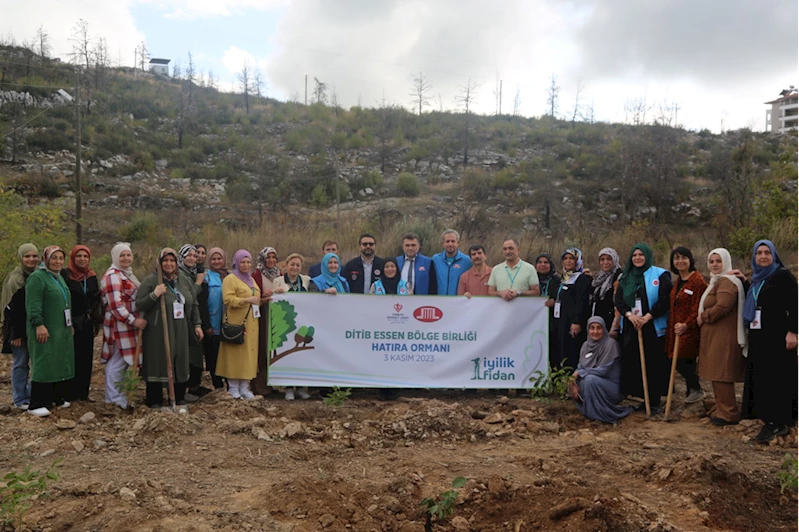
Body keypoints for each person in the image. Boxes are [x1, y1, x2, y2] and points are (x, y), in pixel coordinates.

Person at [742, 240, 798, 443]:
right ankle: (768, 417)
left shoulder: (782, 275)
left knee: (778, 377)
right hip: (759, 336)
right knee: (763, 376)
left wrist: (793, 331)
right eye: (759, 253)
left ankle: (779, 422)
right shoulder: (757, 279)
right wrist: (743, 280)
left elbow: (796, 303)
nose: (763, 256)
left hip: (778, 336)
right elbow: (759, 300)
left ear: (774, 255)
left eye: (767, 252)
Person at [136, 248, 203, 410]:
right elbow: (139, 304)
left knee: (179, 359)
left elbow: (193, 303)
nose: (169, 264)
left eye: (172, 261)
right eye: (165, 261)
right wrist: (155, 294)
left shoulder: (184, 280)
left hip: (181, 328)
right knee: (158, 361)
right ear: (159, 263)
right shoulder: (152, 281)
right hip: (158, 330)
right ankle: (155, 399)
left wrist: (197, 324)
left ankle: (179, 397)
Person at [614, 243, 672, 414]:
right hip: (632, 326)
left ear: (647, 256)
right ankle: (642, 398)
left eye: (641, 255)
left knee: (653, 363)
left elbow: (664, 299)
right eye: (634, 255)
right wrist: (630, 316)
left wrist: (647, 317)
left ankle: (654, 401)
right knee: (635, 363)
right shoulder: (625, 277)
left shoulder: (660, 274)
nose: (637, 258)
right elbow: (619, 301)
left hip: (652, 326)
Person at [696, 248, 747, 426]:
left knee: (722, 373)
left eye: (718, 261)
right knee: (716, 373)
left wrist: (703, 317)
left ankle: (728, 413)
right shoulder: (717, 281)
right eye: (711, 261)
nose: (715, 265)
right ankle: (721, 407)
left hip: (724, 337)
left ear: (726, 262)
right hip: (716, 336)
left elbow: (722, 307)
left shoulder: (727, 282)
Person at [25, 246, 75, 417]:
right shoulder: (37, 278)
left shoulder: (58, 277)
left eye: (61, 258)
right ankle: (36, 403)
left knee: (58, 361)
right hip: (44, 328)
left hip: (60, 328)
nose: (58, 262)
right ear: (46, 259)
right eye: (54, 258)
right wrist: (38, 324)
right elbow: (33, 304)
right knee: (44, 362)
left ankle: (55, 397)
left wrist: (70, 325)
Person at [100, 243, 146, 410]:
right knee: (117, 361)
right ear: (115, 257)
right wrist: (133, 320)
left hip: (128, 326)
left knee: (125, 361)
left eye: (128, 255)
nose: (126, 258)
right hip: (119, 325)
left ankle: (119, 395)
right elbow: (115, 305)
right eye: (122, 256)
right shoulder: (112, 276)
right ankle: (112, 398)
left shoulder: (127, 274)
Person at [664, 246, 707, 406]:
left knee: (683, 359)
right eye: (676, 258)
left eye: (684, 258)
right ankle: (692, 393)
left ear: (690, 260)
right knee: (676, 358)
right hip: (674, 328)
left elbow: (698, 307)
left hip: (689, 329)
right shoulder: (678, 282)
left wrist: (687, 324)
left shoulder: (697, 280)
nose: (680, 261)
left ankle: (696, 388)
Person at [569, 316, 633, 423]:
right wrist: (572, 380)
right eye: (592, 328)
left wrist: (578, 373)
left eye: (599, 328)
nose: (595, 331)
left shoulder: (610, 344)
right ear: (588, 330)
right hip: (594, 382)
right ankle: (589, 412)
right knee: (573, 382)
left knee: (589, 380)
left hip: (611, 387)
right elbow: (581, 366)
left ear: (604, 329)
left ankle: (601, 415)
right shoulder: (585, 345)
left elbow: (603, 371)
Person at [217, 250, 261, 400]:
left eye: (248, 262)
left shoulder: (251, 280)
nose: (246, 265)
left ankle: (244, 387)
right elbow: (227, 300)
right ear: (236, 262)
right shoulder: (231, 279)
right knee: (235, 355)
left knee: (248, 355)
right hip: (236, 324)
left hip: (251, 324)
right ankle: (233, 387)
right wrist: (246, 300)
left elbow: (257, 299)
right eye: (243, 262)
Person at [61, 245, 102, 401]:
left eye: (85, 256)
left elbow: (96, 299)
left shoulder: (91, 276)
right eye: (79, 256)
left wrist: (97, 322)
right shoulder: (65, 275)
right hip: (70, 322)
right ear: (73, 258)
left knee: (86, 358)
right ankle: (67, 394)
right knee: (70, 358)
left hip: (87, 322)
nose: (82, 259)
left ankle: (82, 394)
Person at [1, 244, 39, 410]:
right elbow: (11, 309)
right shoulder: (16, 279)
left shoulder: (37, 275)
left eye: (34, 256)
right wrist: (15, 334)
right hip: (18, 330)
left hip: (32, 327)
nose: (31, 259)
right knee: (21, 363)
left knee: (36, 363)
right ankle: (20, 399)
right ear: (21, 258)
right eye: (27, 256)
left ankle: (32, 395)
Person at [177, 244, 213, 400]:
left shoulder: (195, 273)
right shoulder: (179, 274)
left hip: (195, 317)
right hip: (182, 318)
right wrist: (198, 283)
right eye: (189, 255)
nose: (193, 258)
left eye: (194, 255)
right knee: (187, 354)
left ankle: (194, 386)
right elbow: (189, 297)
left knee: (197, 352)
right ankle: (183, 390)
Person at [548, 248, 591, 370]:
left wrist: (576, 322)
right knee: (559, 351)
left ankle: (571, 382)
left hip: (572, 323)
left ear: (578, 261)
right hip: (559, 321)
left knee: (570, 351)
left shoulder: (581, 279)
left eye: (571, 258)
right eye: (565, 258)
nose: (568, 261)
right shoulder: (561, 278)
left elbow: (581, 302)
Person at [251, 246, 279, 396]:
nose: (271, 260)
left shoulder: (279, 275)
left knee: (273, 349)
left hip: (277, 317)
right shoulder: (256, 275)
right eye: (268, 257)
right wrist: (263, 297)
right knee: (262, 348)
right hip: (262, 315)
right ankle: (259, 386)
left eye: (274, 257)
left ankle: (271, 384)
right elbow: (254, 295)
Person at [202, 247, 227, 390]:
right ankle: (217, 385)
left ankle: (230, 384)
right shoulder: (206, 277)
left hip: (227, 324)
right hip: (212, 322)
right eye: (213, 259)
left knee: (227, 355)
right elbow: (203, 303)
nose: (217, 262)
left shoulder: (229, 276)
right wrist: (207, 325)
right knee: (212, 355)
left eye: (219, 259)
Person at [535, 252, 561, 370]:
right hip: (534, 324)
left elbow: (564, 298)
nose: (542, 265)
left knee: (554, 354)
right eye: (540, 262)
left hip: (553, 323)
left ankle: (556, 384)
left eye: (546, 262)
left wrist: (555, 301)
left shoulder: (557, 280)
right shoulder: (532, 280)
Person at [590, 248, 622, 333]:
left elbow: (619, 304)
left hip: (612, 324)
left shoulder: (619, 276)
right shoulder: (600, 276)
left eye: (609, 259)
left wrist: (615, 327)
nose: (605, 262)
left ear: (615, 259)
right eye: (602, 259)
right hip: (599, 323)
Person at [431, 229, 472, 295]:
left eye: (453, 241)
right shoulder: (435, 259)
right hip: (439, 302)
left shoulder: (467, 261)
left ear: (458, 243)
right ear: (443, 243)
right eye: (447, 241)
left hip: (458, 302)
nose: (450, 244)